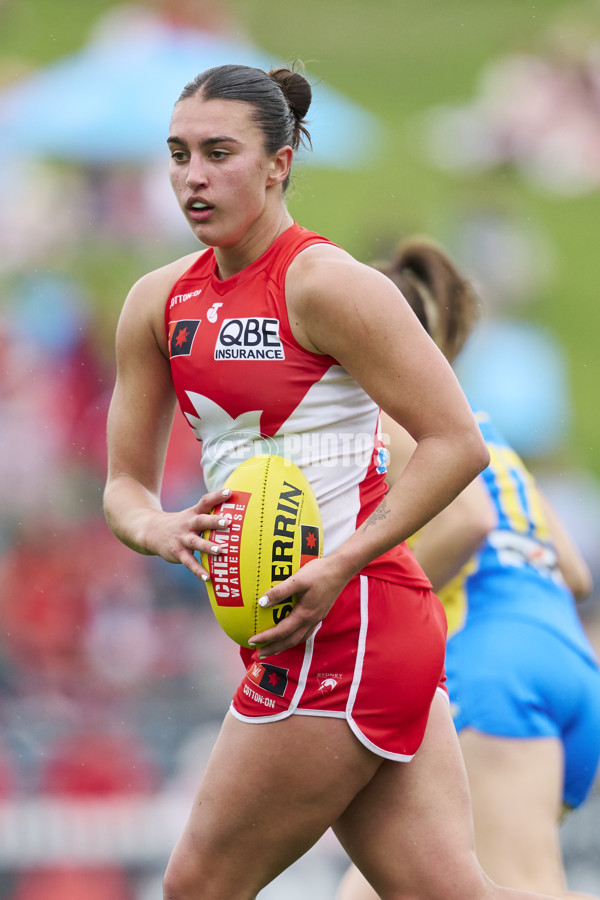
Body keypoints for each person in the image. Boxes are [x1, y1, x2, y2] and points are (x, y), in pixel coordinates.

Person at [103, 62, 564, 900]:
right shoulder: (157, 301)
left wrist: (342, 561)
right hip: (319, 625)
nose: (192, 177)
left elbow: (457, 445)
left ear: (279, 163)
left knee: (197, 887)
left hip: (350, 621)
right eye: (178, 155)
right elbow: (122, 488)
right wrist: (157, 528)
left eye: (218, 153)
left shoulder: (327, 283)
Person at [337, 237, 600, 900]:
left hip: (494, 669)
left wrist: (367, 601)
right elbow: (574, 572)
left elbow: (469, 521)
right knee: (376, 887)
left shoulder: (387, 421)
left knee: (522, 883)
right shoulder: (480, 425)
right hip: (564, 659)